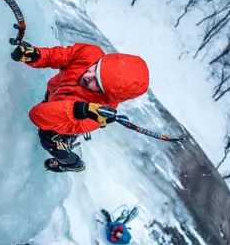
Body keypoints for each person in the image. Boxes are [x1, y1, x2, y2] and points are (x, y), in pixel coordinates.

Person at [11, 42, 149, 172]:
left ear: (106, 94)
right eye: (96, 68)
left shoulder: (94, 117)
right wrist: (37, 56)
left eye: (97, 82)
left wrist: (78, 110)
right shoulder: (90, 53)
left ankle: (73, 164)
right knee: (50, 100)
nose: (88, 76)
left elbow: (38, 116)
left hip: (66, 120)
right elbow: (59, 56)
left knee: (47, 139)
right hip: (56, 94)